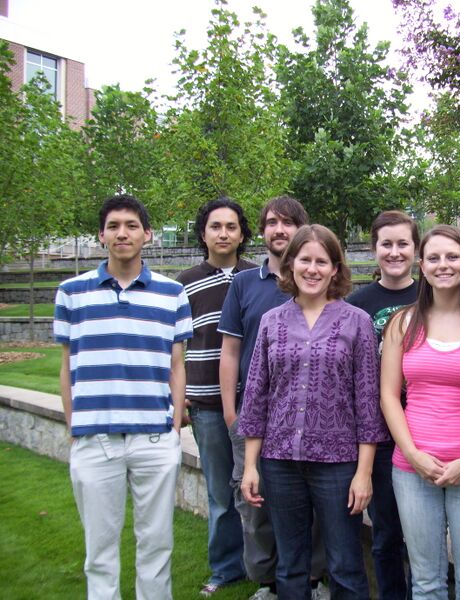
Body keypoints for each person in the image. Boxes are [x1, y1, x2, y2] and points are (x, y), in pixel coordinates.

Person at [54, 194, 193, 599]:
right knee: (99, 552)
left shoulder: (171, 294)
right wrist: (72, 425)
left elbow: (177, 365)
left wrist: (172, 427)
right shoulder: (71, 293)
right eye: (113, 226)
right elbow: (67, 364)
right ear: (101, 235)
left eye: (131, 225)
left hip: (153, 438)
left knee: (157, 545)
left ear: (147, 235)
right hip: (94, 438)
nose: (122, 233)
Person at [239, 224, 388, 600]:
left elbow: (367, 402)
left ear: (335, 269)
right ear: (290, 266)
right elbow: (257, 395)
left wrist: (364, 473)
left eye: (322, 261)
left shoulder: (357, 322)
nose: (312, 269)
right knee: (290, 565)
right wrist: (251, 466)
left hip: (338, 465)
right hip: (279, 460)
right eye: (304, 260)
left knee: (345, 564)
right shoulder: (272, 322)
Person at [381, 224, 460, 600]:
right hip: (413, 469)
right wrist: (414, 455)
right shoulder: (402, 323)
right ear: (422, 265)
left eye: (452, 256)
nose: (443, 265)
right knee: (426, 581)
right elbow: (388, 396)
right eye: (433, 257)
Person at [217, 196, 326, 600]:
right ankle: (266, 582)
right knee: (254, 501)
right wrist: (232, 413)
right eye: (271, 222)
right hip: (256, 414)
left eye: (288, 222)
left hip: (311, 416)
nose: (279, 230)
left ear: (304, 229)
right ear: (261, 231)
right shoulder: (244, 284)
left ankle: (312, 580)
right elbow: (230, 352)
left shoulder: (320, 280)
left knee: (311, 501)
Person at [176, 197, 255, 596]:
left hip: (257, 404)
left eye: (231, 226)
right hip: (206, 404)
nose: (223, 234)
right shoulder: (184, 283)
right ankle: (226, 567)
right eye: (215, 226)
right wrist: (180, 399)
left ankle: (267, 567)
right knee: (220, 491)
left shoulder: (260, 277)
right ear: (203, 233)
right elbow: (174, 348)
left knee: (261, 490)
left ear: (242, 233)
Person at [347, 210, 419, 600]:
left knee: (425, 531)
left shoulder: (434, 295)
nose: (394, 252)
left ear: (415, 248)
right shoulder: (358, 304)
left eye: (402, 244)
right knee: (388, 531)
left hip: (427, 426)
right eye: (386, 244)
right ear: (374, 249)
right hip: (380, 433)